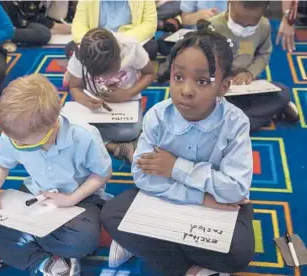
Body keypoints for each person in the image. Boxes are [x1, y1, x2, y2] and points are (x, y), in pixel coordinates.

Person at [101, 20, 255, 276]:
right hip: (186, 200)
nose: (186, 90)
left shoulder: (236, 123)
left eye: (203, 81)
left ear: (223, 87)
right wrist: (201, 197)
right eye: (178, 77)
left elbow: (236, 189)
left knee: (240, 251)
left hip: (216, 209)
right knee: (112, 214)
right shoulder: (157, 116)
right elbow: (142, 177)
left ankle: (151, 248)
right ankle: (189, 265)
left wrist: (175, 168)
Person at [0, 74, 112, 275]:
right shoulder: (15, 134)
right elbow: (1, 164)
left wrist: (72, 199)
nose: (19, 146)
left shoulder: (84, 136)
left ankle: (12, 247)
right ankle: (45, 261)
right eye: (15, 142)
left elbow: (103, 173)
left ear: (53, 125)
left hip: (82, 199)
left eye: (26, 144)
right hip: (35, 193)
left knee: (83, 240)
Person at [68, 28, 156, 163]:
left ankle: (93, 139)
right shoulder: (82, 54)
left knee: (129, 132)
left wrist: (128, 93)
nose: (106, 77)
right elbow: (75, 87)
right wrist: (87, 101)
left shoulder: (131, 47)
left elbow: (150, 73)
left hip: (127, 104)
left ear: (119, 55)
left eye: (110, 71)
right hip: (93, 109)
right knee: (66, 127)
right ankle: (115, 146)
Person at [210, 0, 299, 131]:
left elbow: (264, 54)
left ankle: (238, 123)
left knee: (283, 92)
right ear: (229, 2)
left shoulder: (264, 26)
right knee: (200, 100)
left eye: (251, 25)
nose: (243, 28)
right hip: (219, 86)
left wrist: (250, 73)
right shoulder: (213, 26)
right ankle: (262, 116)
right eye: (238, 23)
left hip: (246, 84)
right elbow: (204, 61)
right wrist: (221, 77)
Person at [68, 0, 158, 60]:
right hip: (97, 41)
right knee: (71, 49)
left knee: (150, 48)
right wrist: (93, 41)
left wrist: (118, 41)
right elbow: (79, 24)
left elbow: (149, 24)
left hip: (127, 41)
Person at [157, 0, 227, 76]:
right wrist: (197, 16)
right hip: (197, 35)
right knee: (163, 42)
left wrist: (223, 18)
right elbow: (185, 19)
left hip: (224, 37)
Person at [1, 1, 75, 49]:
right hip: (14, 21)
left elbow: (58, 16)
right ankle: (4, 36)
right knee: (43, 34)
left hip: (26, 18)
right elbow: (32, 17)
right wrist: (70, 28)